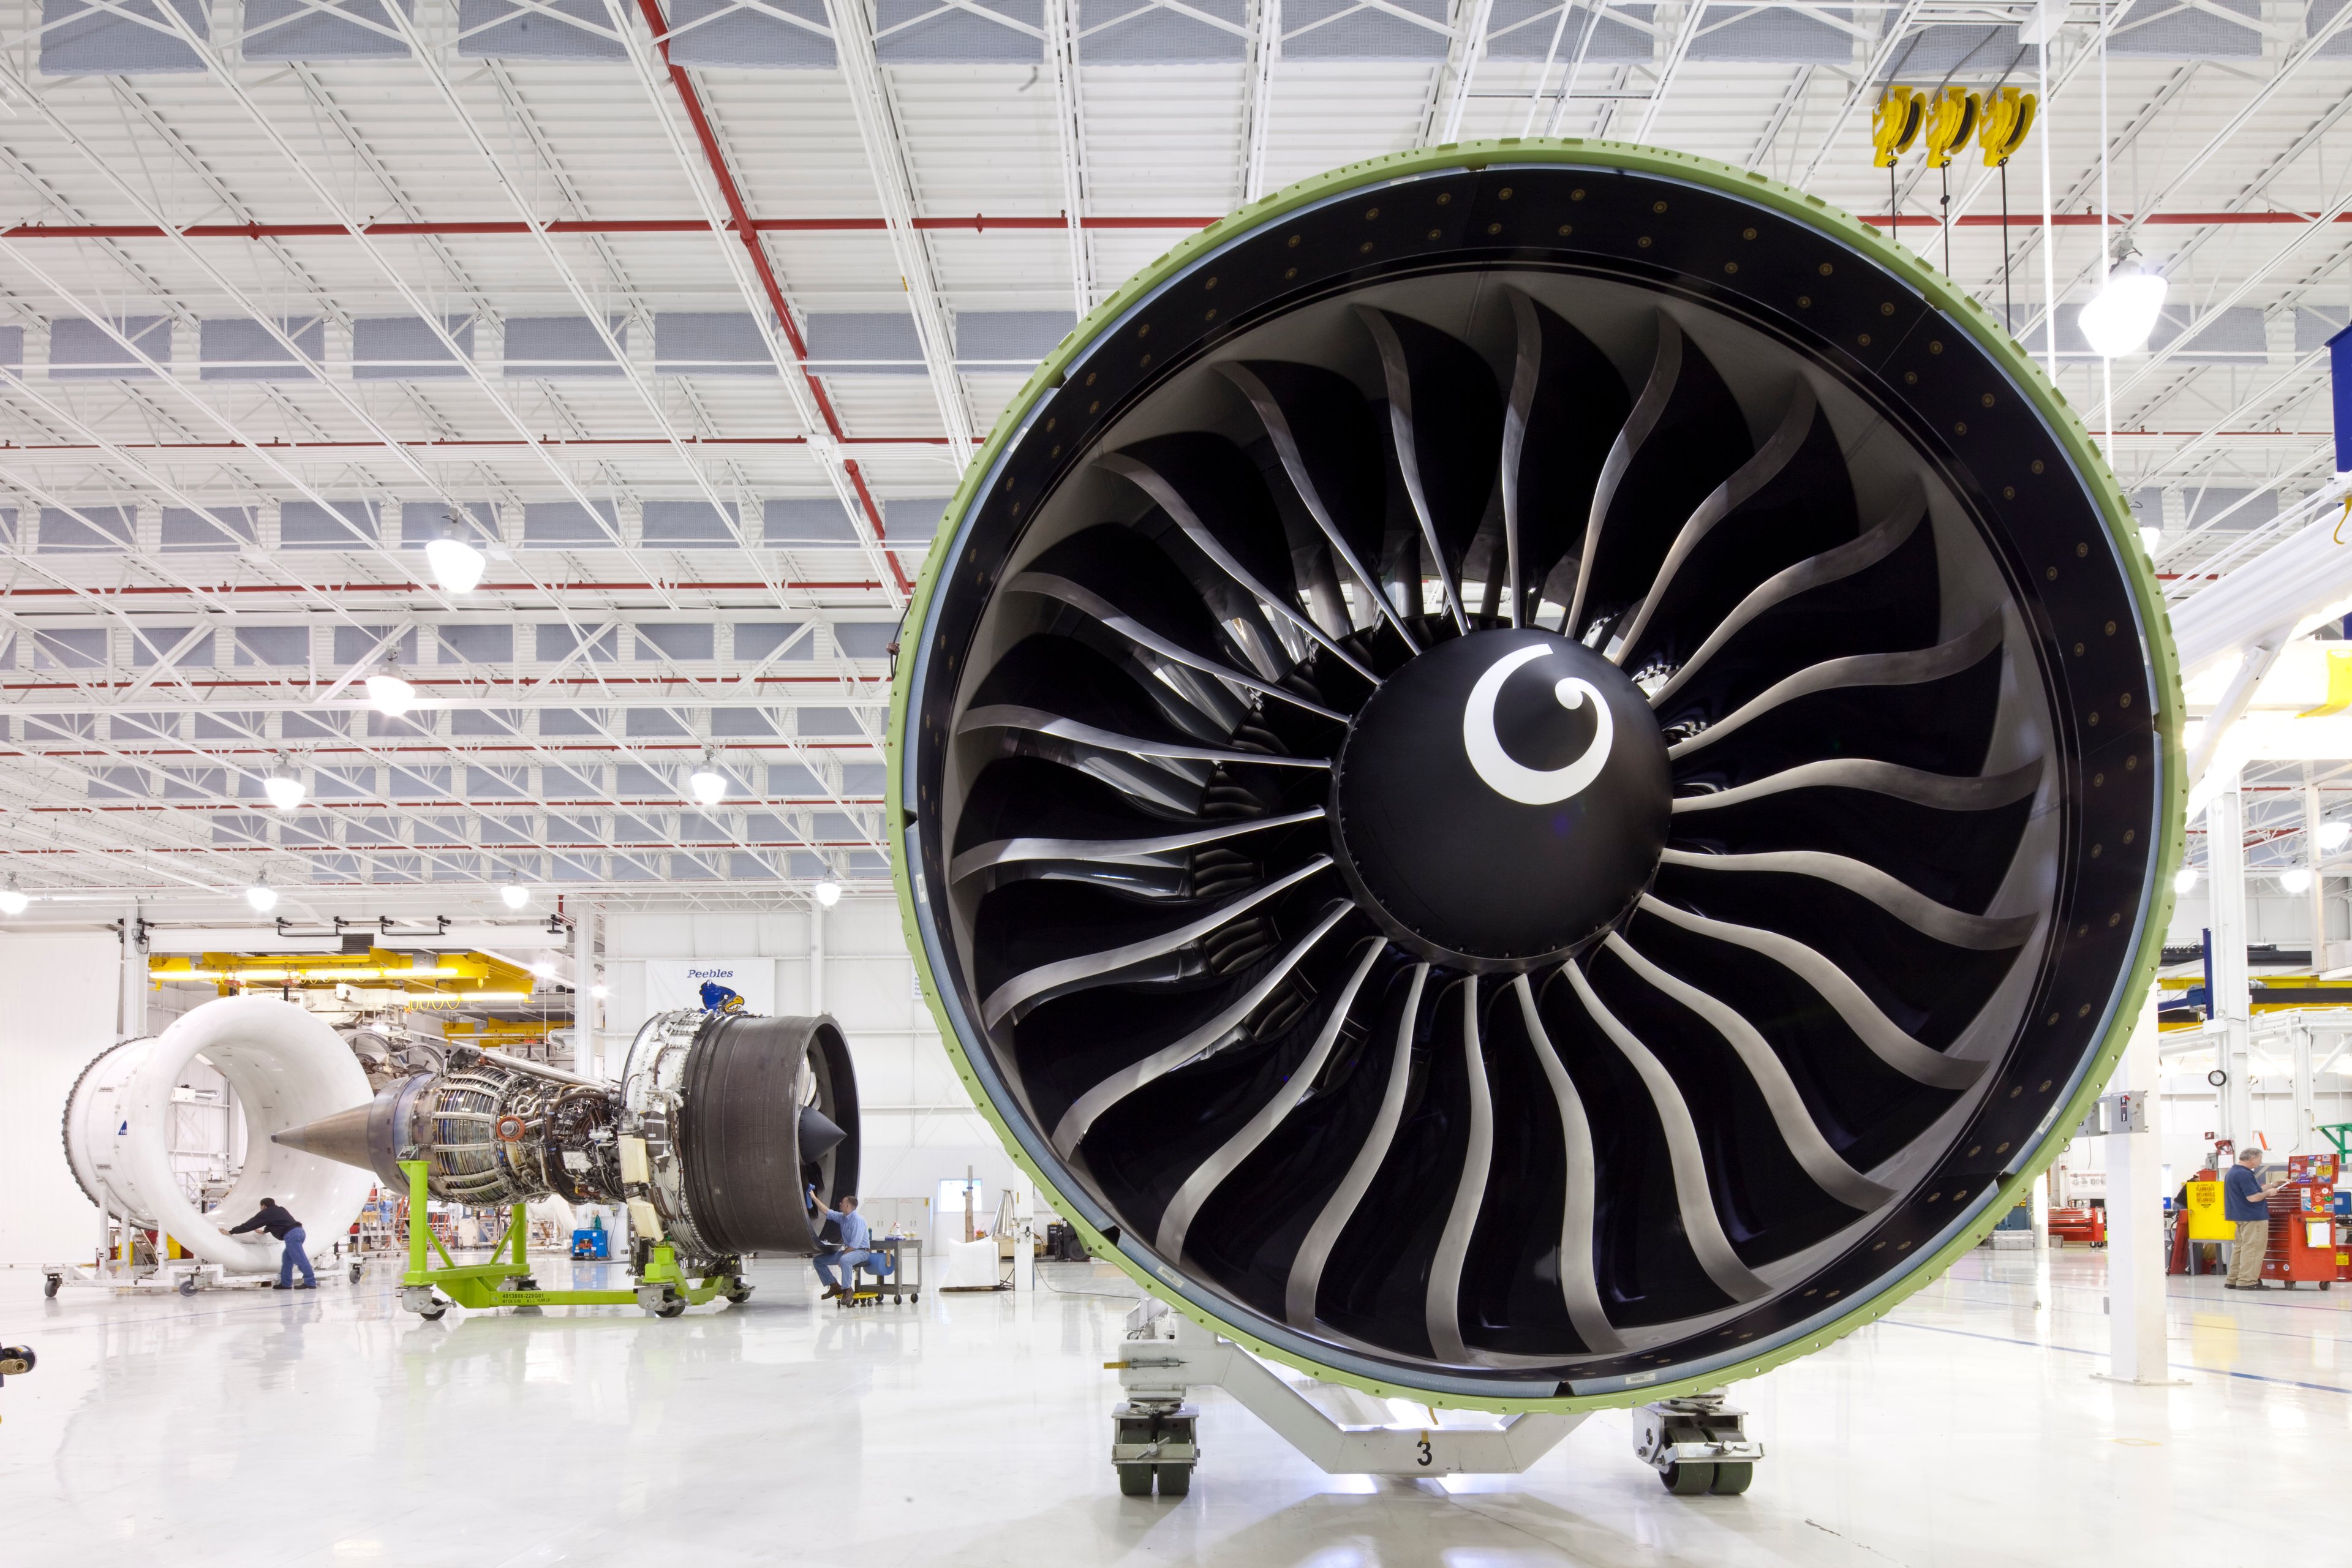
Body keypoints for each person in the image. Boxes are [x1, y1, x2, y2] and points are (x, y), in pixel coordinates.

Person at [808, 1186, 891, 1300]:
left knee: (845, 1259)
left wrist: (843, 1257)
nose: (840, 1203)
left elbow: (855, 1245)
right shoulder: (843, 1218)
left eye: (842, 1202)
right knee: (818, 1261)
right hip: (850, 1251)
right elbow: (827, 1212)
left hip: (861, 1252)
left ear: (847, 1206)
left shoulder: (858, 1220)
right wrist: (814, 1198)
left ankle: (847, 1289)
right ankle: (834, 1285)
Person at [228, 1197, 315, 1290]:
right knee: (287, 1259)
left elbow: (250, 1225)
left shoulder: (266, 1213)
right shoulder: (281, 1209)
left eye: (261, 1207)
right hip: (300, 1232)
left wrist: (231, 1232)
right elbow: (276, 1223)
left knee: (299, 1258)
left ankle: (310, 1282)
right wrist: (264, 1232)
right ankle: (286, 1284)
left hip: (291, 1235)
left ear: (263, 1206)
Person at [2222, 1149, 2274, 1290]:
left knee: (2240, 1248)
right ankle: (2247, 1282)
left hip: (2240, 1216)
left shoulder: (2233, 1172)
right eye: (2260, 1159)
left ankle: (2233, 1279)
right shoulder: (2245, 1174)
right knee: (2253, 1249)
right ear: (2252, 1158)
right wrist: (2269, 1193)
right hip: (2253, 1217)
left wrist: (2272, 1185)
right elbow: (2253, 1197)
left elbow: (2252, 1191)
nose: (2260, 1162)